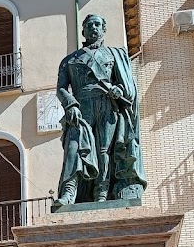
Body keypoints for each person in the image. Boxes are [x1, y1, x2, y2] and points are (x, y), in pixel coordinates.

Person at [55, 14, 146, 205]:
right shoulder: (70, 60)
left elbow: (127, 87)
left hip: (108, 107)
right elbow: (61, 88)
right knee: (74, 146)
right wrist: (70, 104)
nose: (93, 28)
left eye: (97, 24)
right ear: (83, 31)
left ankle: (101, 194)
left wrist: (119, 89)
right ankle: (68, 193)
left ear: (103, 30)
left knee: (104, 151)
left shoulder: (114, 55)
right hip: (81, 107)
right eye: (89, 25)